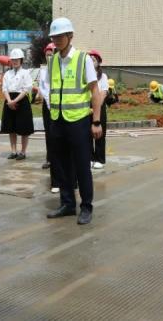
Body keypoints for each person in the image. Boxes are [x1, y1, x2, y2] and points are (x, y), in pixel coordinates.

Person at [45, 17, 103, 225]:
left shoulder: (82, 59)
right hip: (57, 120)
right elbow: (50, 89)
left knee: (81, 166)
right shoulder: (52, 61)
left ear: (70, 36)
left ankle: (86, 207)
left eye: (60, 36)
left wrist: (96, 121)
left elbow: (95, 91)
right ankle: (67, 203)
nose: (57, 40)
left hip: (78, 121)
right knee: (61, 165)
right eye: (54, 37)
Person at [1, 48, 34, 160]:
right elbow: (4, 88)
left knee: (24, 129)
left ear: (21, 60)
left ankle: (23, 152)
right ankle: (13, 151)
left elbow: (26, 89)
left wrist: (15, 101)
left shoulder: (26, 73)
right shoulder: (7, 74)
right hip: (9, 101)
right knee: (11, 128)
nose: (15, 61)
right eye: (13, 59)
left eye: (17, 59)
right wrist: (9, 101)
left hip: (22, 101)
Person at [38, 42, 60, 193]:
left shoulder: (59, 68)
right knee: (49, 134)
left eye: (51, 54)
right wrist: (48, 101)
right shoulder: (44, 70)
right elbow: (43, 87)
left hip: (59, 106)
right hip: (48, 106)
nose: (49, 57)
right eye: (47, 55)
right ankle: (49, 158)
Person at [88, 50, 109, 169]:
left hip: (99, 107)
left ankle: (100, 159)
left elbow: (103, 93)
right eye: (90, 60)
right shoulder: (85, 75)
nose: (91, 62)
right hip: (87, 106)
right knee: (87, 134)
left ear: (98, 62)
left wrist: (95, 108)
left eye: (94, 60)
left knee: (100, 133)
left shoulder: (103, 76)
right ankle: (90, 158)